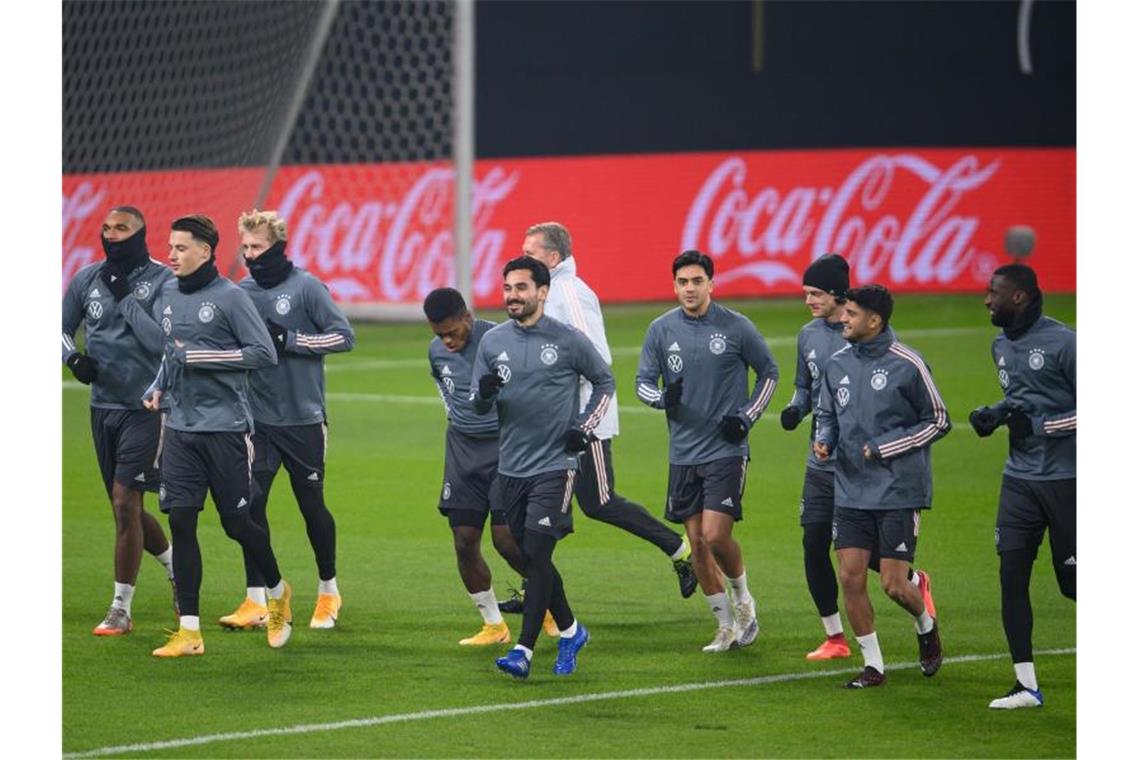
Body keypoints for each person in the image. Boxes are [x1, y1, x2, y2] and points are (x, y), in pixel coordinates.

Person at [143, 214, 293, 657]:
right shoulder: (166, 294)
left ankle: (278, 591)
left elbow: (264, 353)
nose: (171, 255)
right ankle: (190, 632)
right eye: (170, 247)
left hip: (226, 429)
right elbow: (173, 355)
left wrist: (201, 356)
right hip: (181, 429)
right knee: (182, 522)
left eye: (182, 248)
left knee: (236, 524)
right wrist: (158, 386)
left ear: (206, 252)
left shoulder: (230, 297)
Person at [522, 222, 696, 598]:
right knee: (543, 505)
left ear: (552, 258)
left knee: (598, 502)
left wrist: (580, 414)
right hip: (554, 421)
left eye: (531, 253)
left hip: (584, 419)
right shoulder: (547, 292)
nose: (523, 258)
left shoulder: (568, 294)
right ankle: (533, 588)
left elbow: (595, 358)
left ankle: (681, 549)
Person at [778, 255, 936, 660]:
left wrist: (883, 445)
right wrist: (798, 411)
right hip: (823, 464)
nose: (809, 301)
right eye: (806, 294)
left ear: (838, 295)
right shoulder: (807, 337)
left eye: (815, 293)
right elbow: (806, 390)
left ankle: (913, 582)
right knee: (814, 542)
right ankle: (835, 637)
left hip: (872, 472)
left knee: (879, 567)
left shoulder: (872, 338)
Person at [210, 210, 356, 631]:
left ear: (278, 245)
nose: (252, 255)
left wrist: (290, 340)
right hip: (256, 421)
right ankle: (257, 598)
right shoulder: (241, 292)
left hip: (304, 418)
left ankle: (329, 590)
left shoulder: (307, 287)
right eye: (247, 248)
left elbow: (344, 336)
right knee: (251, 505)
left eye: (258, 247)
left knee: (311, 504)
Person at [473, 256, 614, 679]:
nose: (512, 296)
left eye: (521, 288)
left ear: (542, 292)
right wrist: (482, 394)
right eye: (508, 289)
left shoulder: (568, 340)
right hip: (511, 467)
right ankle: (571, 630)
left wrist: (585, 427)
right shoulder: (493, 341)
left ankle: (523, 650)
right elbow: (478, 406)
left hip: (556, 465)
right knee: (530, 557)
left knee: (535, 553)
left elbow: (604, 382)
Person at [635, 250, 779, 652]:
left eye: (697, 281)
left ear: (711, 285)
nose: (690, 289)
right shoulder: (660, 330)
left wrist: (747, 416)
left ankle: (744, 599)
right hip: (683, 452)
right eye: (682, 282)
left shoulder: (736, 327)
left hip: (726, 448)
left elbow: (769, 373)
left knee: (716, 535)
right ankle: (724, 625)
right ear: (675, 286)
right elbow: (642, 382)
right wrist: (663, 399)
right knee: (696, 543)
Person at [812, 284, 949, 688]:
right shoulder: (837, 363)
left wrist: (888, 446)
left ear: (874, 321)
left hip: (898, 490)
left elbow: (939, 420)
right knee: (850, 577)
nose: (843, 320)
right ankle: (874, 666)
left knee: (892, 584)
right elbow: (827, 412)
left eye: (851, 314)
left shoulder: (908, 363)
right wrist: (825, 438)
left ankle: (925, 623)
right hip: (851, 488)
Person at [62, 205, 178, 635]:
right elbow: (60, 328)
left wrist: (126, 296)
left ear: (141, 232)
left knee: (124, 501)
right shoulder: (86, 278)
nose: (111, 234)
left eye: (121, 228)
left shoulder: (164, 280)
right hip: (102, 407)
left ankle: (120, 609)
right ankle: (175, 568)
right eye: (107, 228)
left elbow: (160, 342)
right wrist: (72, 357)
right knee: (123, 507)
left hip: (148, 407)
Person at [968, 263, 1075, 709]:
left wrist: (1043, 425)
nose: (987, 299)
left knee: (1073, 584)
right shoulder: (1000, 345)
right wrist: (996, 414)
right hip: (1019, 479)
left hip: (1070, 479)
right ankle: (1026, 685)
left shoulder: (1066, 343)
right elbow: (1020, 401)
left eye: (995, 292)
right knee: (1012, 576)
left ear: (1020, 297)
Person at [423, 287, 539, 645]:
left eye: (452, 332)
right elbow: (447, 393)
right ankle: (494, 625)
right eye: (438, 334)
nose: (446, 341)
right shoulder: (435, 353)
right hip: (461, 450)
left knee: (505, 540)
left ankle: (548, 601)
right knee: (464, 539)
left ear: (467, 318)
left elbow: (530, 389)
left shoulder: (501, 340)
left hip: (505, 448)